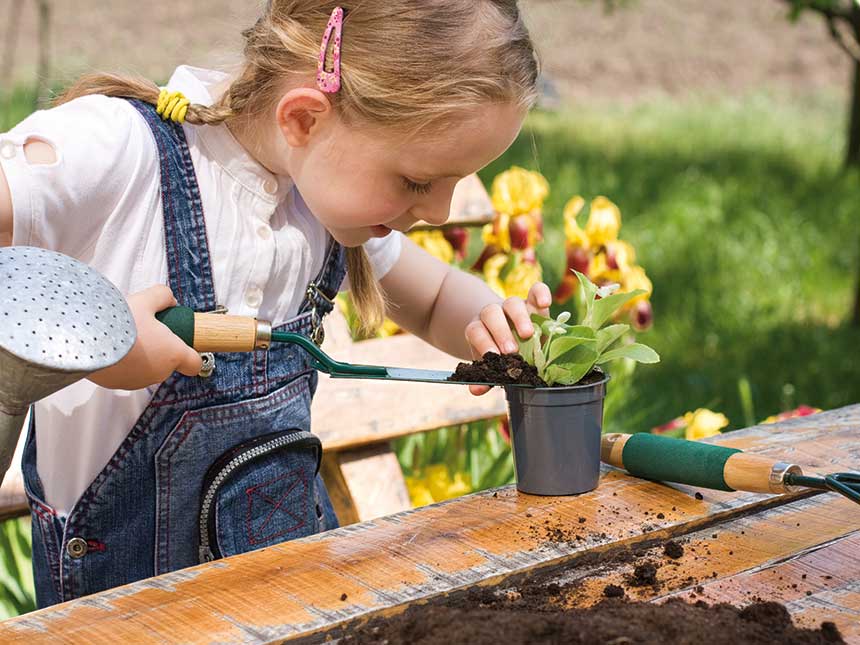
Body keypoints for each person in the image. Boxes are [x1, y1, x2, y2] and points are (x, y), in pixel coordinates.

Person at [0, 1, 550, 606]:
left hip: (291, 596)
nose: (441, 212)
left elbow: (436, 298)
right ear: (305, 119)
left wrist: (490, 323)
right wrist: (97, 344)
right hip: (129, 613)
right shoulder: (117, 152)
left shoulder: (317, 199)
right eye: (418, 182)